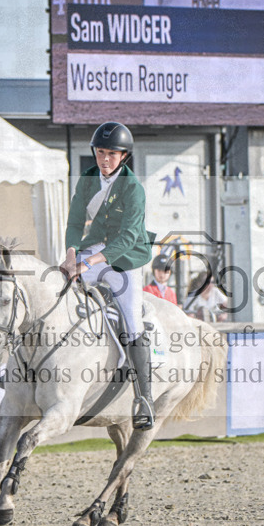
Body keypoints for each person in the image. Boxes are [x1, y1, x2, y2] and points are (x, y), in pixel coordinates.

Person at [60, 122, 157, 430]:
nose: (104, 159)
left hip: (124, 258)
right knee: (56, 292)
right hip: (91, 251)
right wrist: (71, 255)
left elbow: (128, 237)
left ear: (123, 156)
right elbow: (75, 222)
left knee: (131, 318)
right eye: (100, 152)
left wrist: (89, 264)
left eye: (111, 154)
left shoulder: (133, 188)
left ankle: (145, 399)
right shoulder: (88, 179)